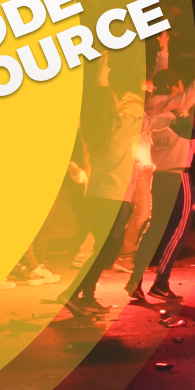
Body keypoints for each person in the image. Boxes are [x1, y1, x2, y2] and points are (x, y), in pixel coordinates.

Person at [137, 30, 195, 303]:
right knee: (178, 230)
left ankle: (135, 281)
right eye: (180, 85)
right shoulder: (178, 104)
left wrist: (163, 52)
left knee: (156, 228)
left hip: (159, 175)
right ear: (176, 86)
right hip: (179, 176)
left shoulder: (154, 105)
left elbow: (161, 81)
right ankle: (161, 282)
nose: (183, 88)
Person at [59, 54, 147, 316]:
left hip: (93, 196)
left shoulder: (90, 126)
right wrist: (177, 112)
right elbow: (155, 118)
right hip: (116, 200)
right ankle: (72, 293)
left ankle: (86, 298)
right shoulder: (119, 125)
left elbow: (97, 95)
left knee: (100, 249)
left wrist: (101, 68)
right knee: (108, 252)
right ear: (111, 105)